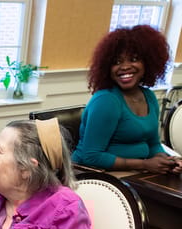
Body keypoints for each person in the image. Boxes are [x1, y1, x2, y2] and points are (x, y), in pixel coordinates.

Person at [72, 25, 182, 174]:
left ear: (148, 63)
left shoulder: (149, 96)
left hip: (136, 173)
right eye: (117, 62)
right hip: (96, 176)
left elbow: (153, 144)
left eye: (134, 59)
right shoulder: (106, 101)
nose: (124, 67)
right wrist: (145, 164)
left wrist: (167, 160)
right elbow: (91, 156)